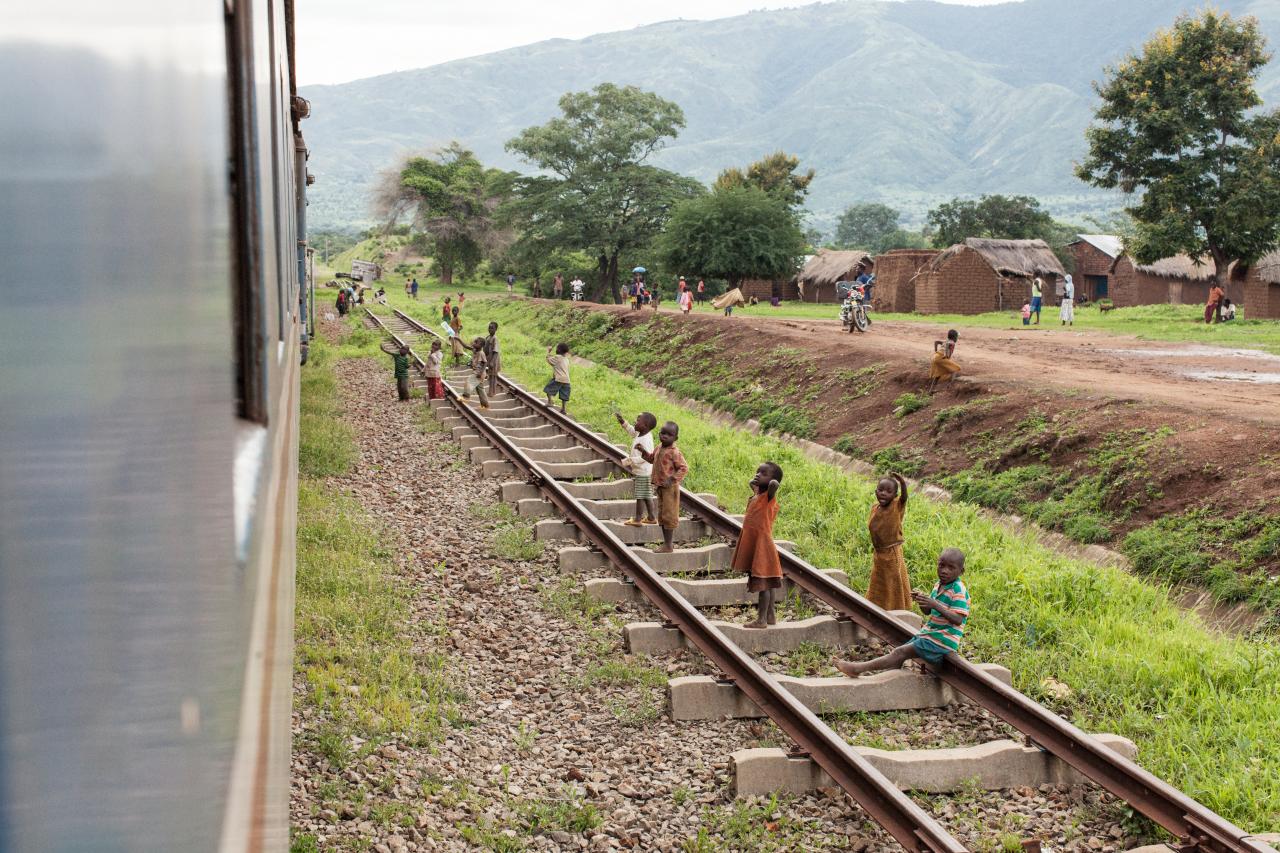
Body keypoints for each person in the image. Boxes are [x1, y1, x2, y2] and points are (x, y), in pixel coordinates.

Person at [836, 548, 968, 676]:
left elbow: (958, 619)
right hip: (930, 635)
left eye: (951, 568)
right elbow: (928, 611)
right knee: (898, 654)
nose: (944, 571)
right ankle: (890, 679)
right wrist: (922, 600)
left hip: (942, 641)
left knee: (899, 652)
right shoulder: (938, 585)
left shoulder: (958, 589)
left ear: (961, 571)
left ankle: (857, 669)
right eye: (941, 565)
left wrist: (935, 604)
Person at [732, 462, 783, 629]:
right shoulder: (756, 496)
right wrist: (756, 482)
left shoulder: (769, 496)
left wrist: (771, 484)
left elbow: (774, 486)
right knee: (767, 582)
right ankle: (770, 615)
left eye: (764, 473)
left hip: (762, 546)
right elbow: (752, 485)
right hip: (755, 543)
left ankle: (761, 620)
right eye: (758, 471)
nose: (759, 474)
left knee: (763, 584)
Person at [867, 473, 911, 612]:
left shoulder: (897, 506)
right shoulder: (875, 508)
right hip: (879, 553)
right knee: (879, 581)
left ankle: (896, 610)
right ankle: (877, 606)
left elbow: (904, 497)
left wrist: (902, 482)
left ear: (895, 495)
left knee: (893, 583)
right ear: (875, 491)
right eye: (880, 490)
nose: (883, 494)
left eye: (888, 491)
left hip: (891, 553)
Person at [650, 421, 689, 553]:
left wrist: (672, 479)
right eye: (662, 433)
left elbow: (684, 468)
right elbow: (651, 459)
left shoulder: (674, 452)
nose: (664, 436)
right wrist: (642, 451)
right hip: (661, 487)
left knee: (669, 516)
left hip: (670, 489)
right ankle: (666, 544)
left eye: (669, 435)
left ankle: (668, 544)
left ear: (675, 438)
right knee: (662, 515)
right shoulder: (659, 447)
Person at [614, 410, 657, 526]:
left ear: (645, 426)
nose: (635, 422)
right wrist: (623, 422)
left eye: (638, 421)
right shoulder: (640, 433)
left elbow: (646, 457)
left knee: (640, 496)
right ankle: (652, 517)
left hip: (643, 472)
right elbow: (632, 431)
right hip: (643, 471)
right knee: (646, 495)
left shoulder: (646, 440)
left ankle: (638, 519)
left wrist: (630, 460)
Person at [459, 337, 490, 409]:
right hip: (477, 372)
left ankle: (466, 396)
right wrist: (458, 339)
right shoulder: (475, 350)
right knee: (480, 390)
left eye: (476, 342)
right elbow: (466, 346)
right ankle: (485, 405)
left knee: (469, 381)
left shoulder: (481, 353)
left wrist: (481, 372)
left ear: (481, 345)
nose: (474, 343)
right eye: (474, 342)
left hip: (479, 373)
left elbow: (485, 363)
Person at [927, 330, 960, 394]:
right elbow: (948, 345)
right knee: (956, 369)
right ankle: (950, 386)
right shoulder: (952, 342)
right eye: (957, 337)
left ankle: (930, 391)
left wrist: (936, 351)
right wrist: (946, 354)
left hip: (935, 357)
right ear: (954, 337)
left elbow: (936, 342)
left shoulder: (946, 341)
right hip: (940, 358)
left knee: (938, 374)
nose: (957, 339)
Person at [544, 343, 571, 413]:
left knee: (548, 390)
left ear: (558, 350)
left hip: (558, 379)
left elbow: (548, 360)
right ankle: (563, 409)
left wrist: (548, 351)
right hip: (567, 380)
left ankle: (550, 402)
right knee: (564, 395)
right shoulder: (567, 359)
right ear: (566, 352)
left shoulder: (557, 357)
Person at [484, 321, 501, 397]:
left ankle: (492, 392)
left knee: (493, 377)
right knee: (490, 376)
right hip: (489, 359)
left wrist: (492, 362)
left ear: (495, 329)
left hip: (494, 360)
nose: (490, 329)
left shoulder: (495, 338)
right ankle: (490, 391)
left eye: (492, 328)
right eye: (489, 328)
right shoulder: (488, 337)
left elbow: (496, 351)